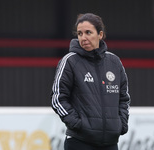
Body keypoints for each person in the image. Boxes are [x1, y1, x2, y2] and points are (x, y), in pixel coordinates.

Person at [51, 13, 130, 150]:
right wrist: (78, 124)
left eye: (88, 32)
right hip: (79, 141)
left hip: (110, 143)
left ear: (100, 34)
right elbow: (57, 98)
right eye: (80, 33)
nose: (83, 37)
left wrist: (121, 124)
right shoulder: (70, 61)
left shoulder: (114, 62)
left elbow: (124, 98)